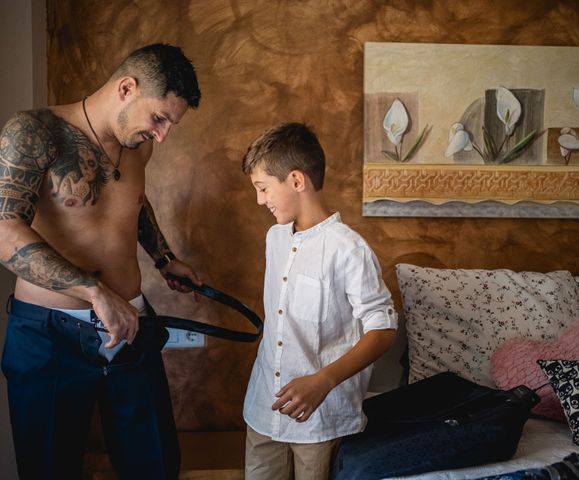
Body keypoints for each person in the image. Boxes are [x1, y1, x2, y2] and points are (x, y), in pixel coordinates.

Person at [0, 43, 202, 479]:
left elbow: (133, 202)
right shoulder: (33, 132)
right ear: (127, 88)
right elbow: (4, 230)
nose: (163, 134)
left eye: (171, 123)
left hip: (129, 328)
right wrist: (94, 293)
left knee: (157, 465)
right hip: (49, 337)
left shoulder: (139, 146)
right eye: (159, 118)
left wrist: (164, 258)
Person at [241, 122, 398, 480]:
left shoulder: (348, 250)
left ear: (297, 181)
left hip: (320, 418)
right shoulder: (275, 238)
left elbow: (384, 329)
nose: (259, 200)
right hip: (264, 407)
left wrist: (323, 381)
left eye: (263, 188)